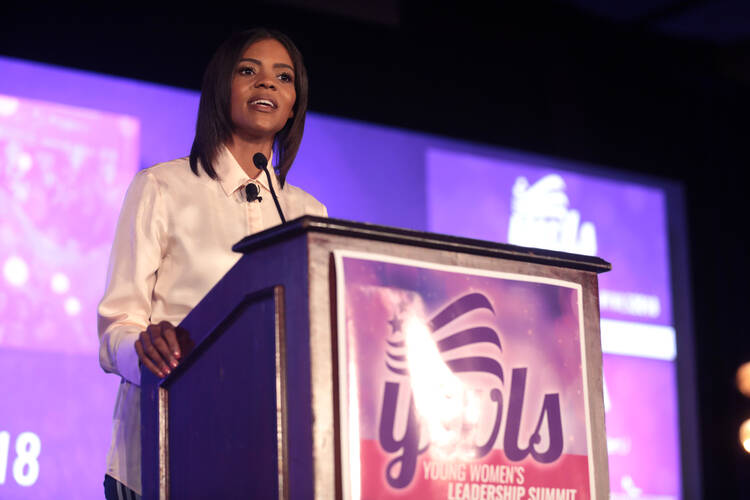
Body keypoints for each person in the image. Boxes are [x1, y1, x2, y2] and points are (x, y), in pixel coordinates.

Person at [97, 28, 326, 499]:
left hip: (267, 463)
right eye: (249, 71)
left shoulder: (308, 215)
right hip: (162, 456)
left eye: (282, 78)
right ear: (222, 85)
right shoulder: (162, 188)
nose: (267, 85)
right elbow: (115, 328)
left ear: (293, 103)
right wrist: (143, 348)